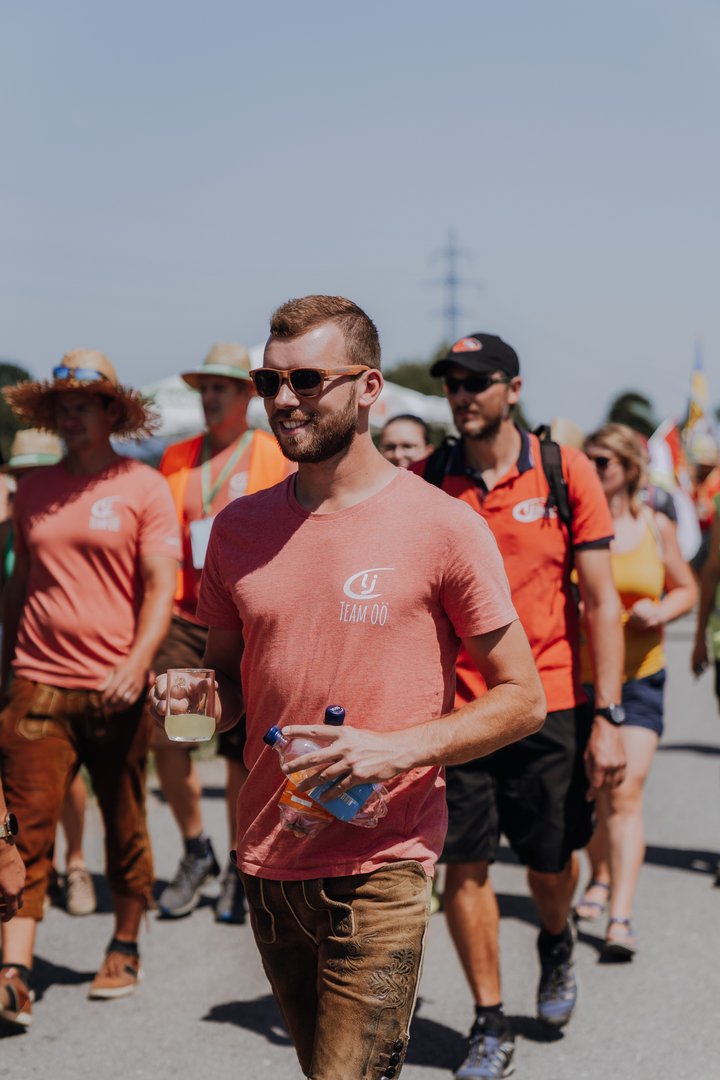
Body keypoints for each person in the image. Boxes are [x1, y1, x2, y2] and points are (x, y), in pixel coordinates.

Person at [150, 295, 545, 1080]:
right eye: (269, 381)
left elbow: (522, 699)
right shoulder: (237, 528)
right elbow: (226, 684)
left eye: (306, 379)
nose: (283, 399)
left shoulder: (443, 525)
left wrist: (395, 750)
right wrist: (194, 696)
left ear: (368, 388)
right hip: (269, 855)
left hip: (383, 862)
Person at [412, 333, 625, 1079]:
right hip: (462, 710)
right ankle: (489, 1019)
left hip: (550, 701)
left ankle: (557, 940)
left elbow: (601, 602)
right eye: (452, 383)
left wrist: (609, 717)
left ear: (514, 389)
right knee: (464, 865)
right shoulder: (430, 478)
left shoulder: (564, 472)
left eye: (477, 382)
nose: (462, 395)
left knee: (549, 863)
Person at [0, 350, 180, 1029]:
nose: (70, 416)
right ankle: (14, 974)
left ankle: (125, 944)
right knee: (25, 827)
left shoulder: (143, 486)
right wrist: (6, 670)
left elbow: (161, 587)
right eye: (62, 407)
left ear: (111, 411)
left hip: (115, 687)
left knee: (124, 820)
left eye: (83, 405)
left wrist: (138, 662)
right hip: (37, 683)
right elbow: (20, 584)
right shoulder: (35, 490)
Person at [152, 342, 291, 923]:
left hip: (247, 619)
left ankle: (238, 859)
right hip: (188, 617)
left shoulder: (271, 453)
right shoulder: (177, 457)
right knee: (173, 735)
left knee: (241, 748)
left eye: (221, 388)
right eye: (205, 388)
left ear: (246, 396)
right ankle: (195, 850)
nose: (209, 397)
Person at [575, 424, 696, 956]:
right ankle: (599, 876)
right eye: (587, 460)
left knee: (623, 790)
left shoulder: (654, 525)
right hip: (580, 681)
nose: (592, 470)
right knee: (592, 791)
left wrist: (661, 610)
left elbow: (687, 588)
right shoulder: (573, 524)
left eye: (602, 461)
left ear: (628, 469)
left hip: (641, 678)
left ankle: (619, 916)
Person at [0, 429, 96, 919]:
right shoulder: (8, 524)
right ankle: (35, 863)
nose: (29, 483)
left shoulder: (70, 522)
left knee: (67, 771)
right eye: (21, 475)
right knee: (19, 775)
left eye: (38, 472)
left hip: (60, 665)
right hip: (14, 659)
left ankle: (76, 862)